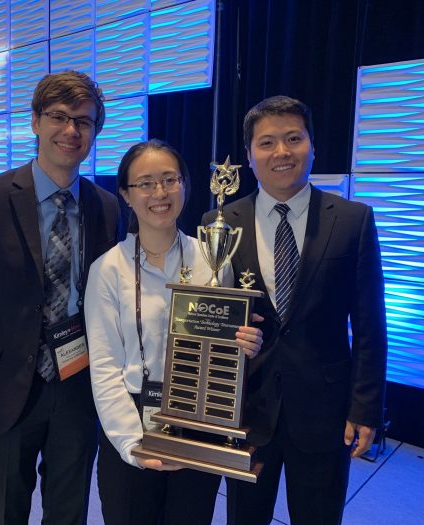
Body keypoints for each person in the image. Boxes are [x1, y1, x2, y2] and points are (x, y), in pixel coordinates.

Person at [0, 70, 119, 525]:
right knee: (6, 513)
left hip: (78, 389)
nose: (71, 130)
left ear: (95, 131)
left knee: (69, 514)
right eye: (58, 116)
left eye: (83, 121)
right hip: (4, 390)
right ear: (36, 122)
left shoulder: (106, 206)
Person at [202, 96, 388, 525]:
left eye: (293, 138)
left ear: (312, 146)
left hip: (325, 409)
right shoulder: (220, 222)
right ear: (249, 155)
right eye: (266, 143)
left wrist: (365, 408)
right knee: (244, 517)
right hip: (247, 408)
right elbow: (213, 314)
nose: (281, 152)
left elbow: (369, 324)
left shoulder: (353, 220)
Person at [84, 139, 264, 525]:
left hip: (199, 421)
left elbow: (221, 347)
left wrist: (242, 345)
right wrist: (132, 443)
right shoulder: (107, 270)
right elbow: (104, 366)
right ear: (126, 194)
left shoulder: (213, 260)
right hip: (131, 420)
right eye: (145, 183)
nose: (160, 193)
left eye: (170, 179)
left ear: (185, 184)